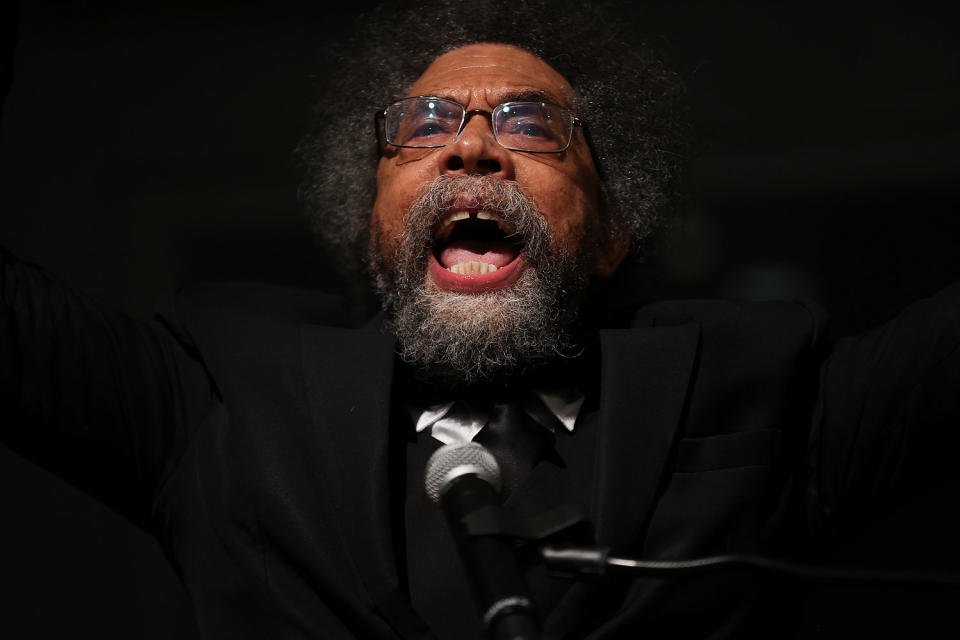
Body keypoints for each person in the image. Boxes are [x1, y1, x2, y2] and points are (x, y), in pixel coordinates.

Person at [2, 1, 959, 638]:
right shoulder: (217, 394)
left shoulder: (774, 384)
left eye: (532, 125)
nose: (471, 148)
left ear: (612, 231)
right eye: (424, 124)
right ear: (372, 221)